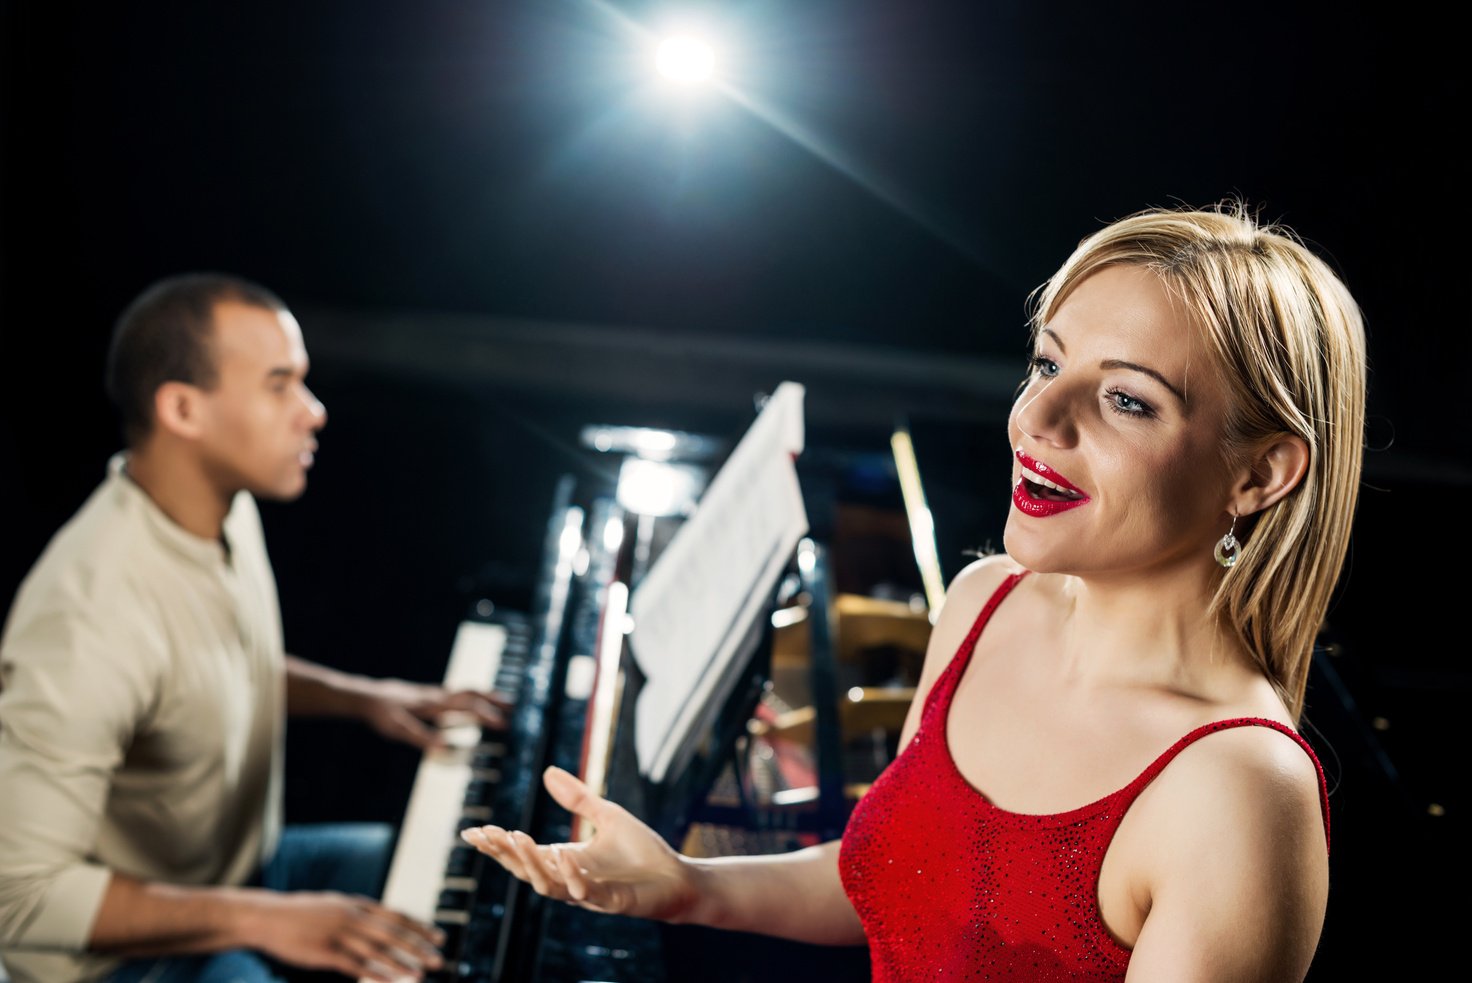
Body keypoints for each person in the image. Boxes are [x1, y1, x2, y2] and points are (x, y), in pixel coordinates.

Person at [459, 200, 1367, 981]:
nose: (1038, 420)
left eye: (1127, 399)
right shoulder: (985, 603)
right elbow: (899, 877)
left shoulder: (1240, 793)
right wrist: (690, 885)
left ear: (1261, 474)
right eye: (1049, 365)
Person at [0, 273, 512, 983]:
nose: (314, 411)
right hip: (120, 963)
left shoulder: (219, 500)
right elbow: (19, 895)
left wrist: (365, 696)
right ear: (183, 408)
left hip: (246, 869)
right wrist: (264, 918)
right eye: (280, 385)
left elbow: (212, 668)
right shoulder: (87, 620)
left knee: (465, 881)